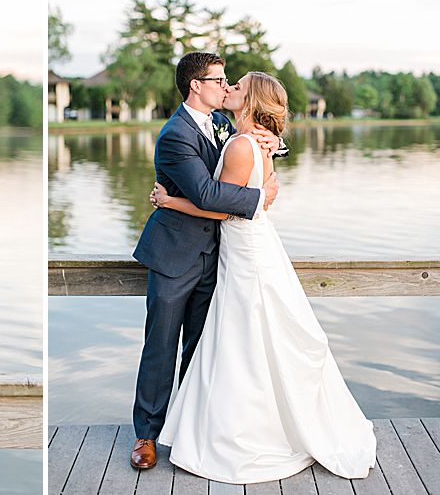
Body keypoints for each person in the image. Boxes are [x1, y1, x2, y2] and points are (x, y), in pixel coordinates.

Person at [153, 72, 376, 483]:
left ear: (250, 98)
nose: (228, 89)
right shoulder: (245, 137)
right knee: (250, 340)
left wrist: (169, 201)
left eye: (234, 86)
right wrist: (266, 171)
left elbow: (220, 208)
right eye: (223, 82)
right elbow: (254, 190)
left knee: (243, 341)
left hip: (244, 251)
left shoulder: (241, 142)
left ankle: (244, 432)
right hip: (245, 247)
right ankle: (245, 424)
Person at [129, 52, 281, 469]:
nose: (226, 85)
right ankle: (147, 435)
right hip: (174, 254)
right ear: (196, 85)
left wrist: (276, 146)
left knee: (201, 347)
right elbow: (207, 196)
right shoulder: (175, 135)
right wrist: (259, 198)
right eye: (218, 80)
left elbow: (247, 147)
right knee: (161, 346)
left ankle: (189, 426)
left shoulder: (220, 124)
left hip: (219, 255)